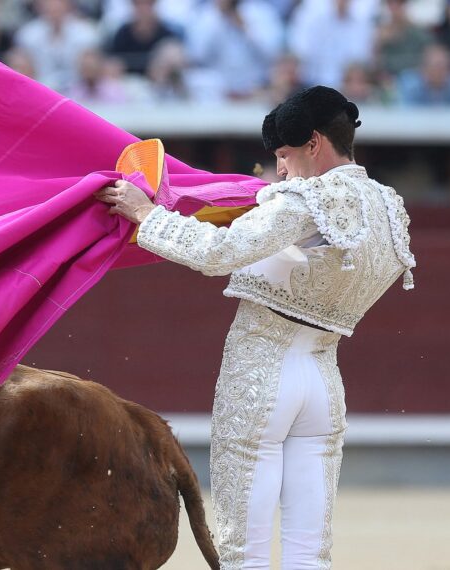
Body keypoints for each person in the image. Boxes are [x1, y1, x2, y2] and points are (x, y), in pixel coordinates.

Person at [95, 86, 417, 569]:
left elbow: (217, 253)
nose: (281, 169)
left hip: (261, 374)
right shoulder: (388, 207)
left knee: (243, 551)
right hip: (323, 382)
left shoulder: (307, 198)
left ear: (314, 143)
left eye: (286, 155)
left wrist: (146, 216)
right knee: (310, 553)